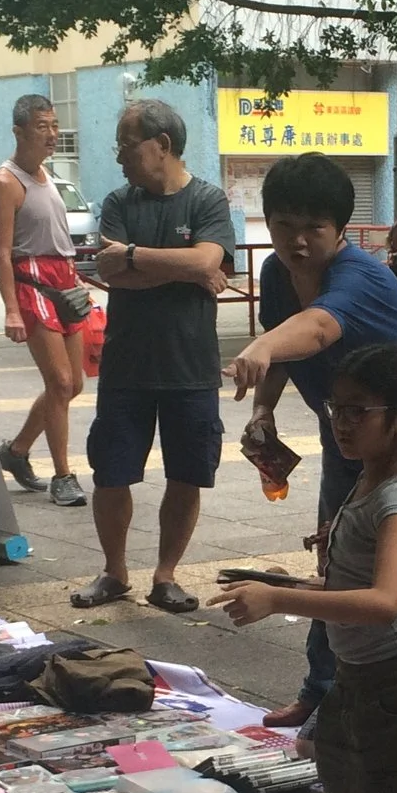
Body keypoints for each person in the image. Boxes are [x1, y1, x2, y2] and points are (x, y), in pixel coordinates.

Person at [228, 153, 397, 729]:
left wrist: (262, 348)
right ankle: (324, 690)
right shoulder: (277, 273)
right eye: (283, 226)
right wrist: (263, 409)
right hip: (347, 433)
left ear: (341, 229)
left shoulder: (359, 277)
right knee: (334, 553)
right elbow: (284, 340)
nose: (297, 241)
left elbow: (318, 328)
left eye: (313, 229)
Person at [212, 345, 397, 793]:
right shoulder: (369, 477)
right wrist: (292, 584)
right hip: (357, 673)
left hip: (396, 676)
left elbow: (384, 602)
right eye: (335, 409)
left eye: (357, 411)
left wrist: (280, 602)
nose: (341, 423)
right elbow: (358, 587)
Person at [72, 98, 237, 613]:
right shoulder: (119, 202)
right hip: (126, 366)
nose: (119, 155)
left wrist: (136, 257)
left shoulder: (208, 200)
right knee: (111, 472)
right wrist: (185, 269)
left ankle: (166, 576)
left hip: (190, 367)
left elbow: (208, 258)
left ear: (162, 145)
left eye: (127, 144)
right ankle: (114, 571)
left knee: (187, 475)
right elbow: (112, 273)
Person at [0, 94, 92, 508]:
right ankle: (63, 476)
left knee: (74, 383)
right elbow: (1, 252)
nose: (52, 134)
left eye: (54, 126)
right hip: (32, 283)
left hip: (64, 281)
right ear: (19, 131)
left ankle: (16, 452)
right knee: (60, 382)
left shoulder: (47, 175)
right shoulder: (5, 181)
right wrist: (11, 309)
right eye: (42, 127)